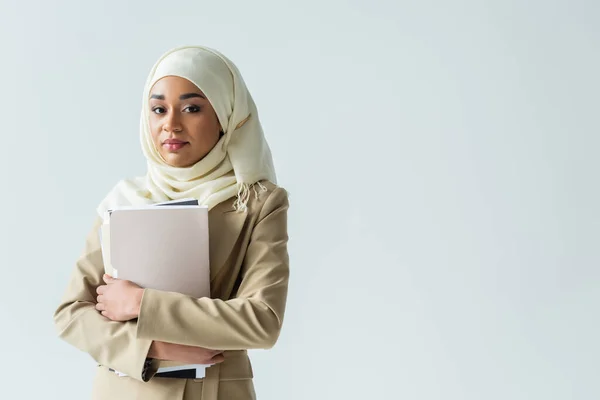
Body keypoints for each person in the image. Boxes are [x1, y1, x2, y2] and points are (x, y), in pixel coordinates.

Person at [53, 45, 290, 400]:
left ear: (226, 115)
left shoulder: (258, 202)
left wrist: (141, 304)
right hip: (123, 391)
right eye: (159, 109)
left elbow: (262, 321)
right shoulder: (123, 200)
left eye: (192, 108)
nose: (171, 124)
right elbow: (71, 314)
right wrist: (153, 347)